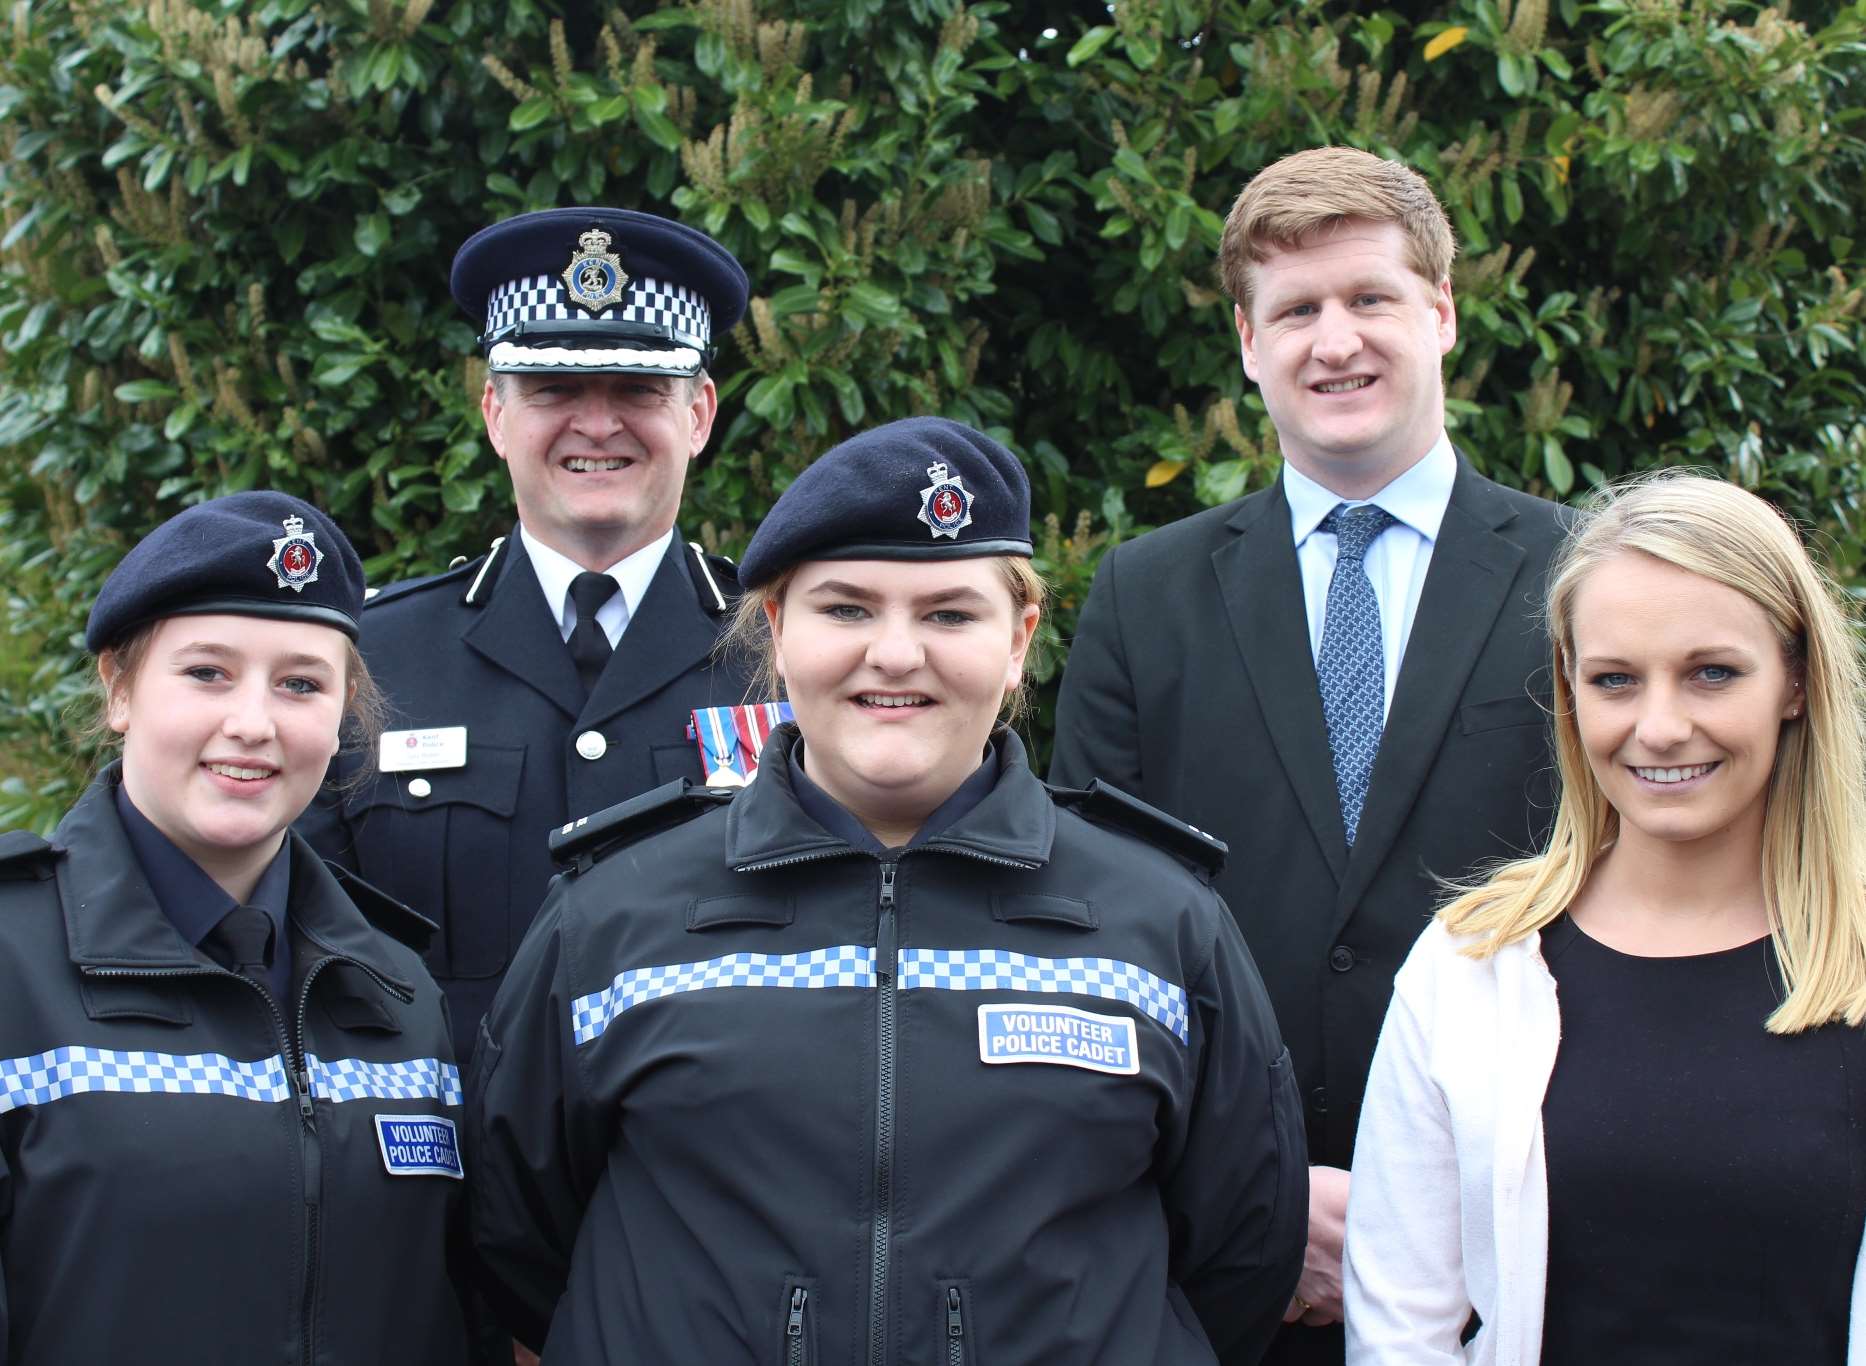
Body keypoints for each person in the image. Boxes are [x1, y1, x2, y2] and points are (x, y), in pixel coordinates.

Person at [468, 417, 1308, 1364]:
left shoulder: (1162, 922)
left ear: (1019, 640)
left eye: (950, 614)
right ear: (778, 633)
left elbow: (1241, 1252)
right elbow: (520, 1239)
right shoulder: (612, 916)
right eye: (846, 610)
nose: (897, 655)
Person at [1049, 145, 1568, 1363]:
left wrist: (1428, 1196)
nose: (1334, 341)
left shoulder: (1579, 576)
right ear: (1247, 342)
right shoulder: (1144, 593)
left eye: (1369, 298)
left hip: (1514, 1244)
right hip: (1219, 1259)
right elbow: (1093, 926)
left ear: (1441, 311)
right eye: (1296, 311)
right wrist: (1255, 1189)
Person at [1344, 471, 1866, 1363]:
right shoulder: (1469, 965)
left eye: (1711, 674)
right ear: (1569, 689)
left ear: (1797, 682)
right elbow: (1401, 1323)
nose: (1659, 727)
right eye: (1616, 679)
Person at [0, 492, 468, 1361]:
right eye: (207, 673)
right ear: (120, 689)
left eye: (300, 684)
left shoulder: (398, 992)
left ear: (341, 718)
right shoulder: (11, 962)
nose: (252, 724)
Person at [299, 207, 756, 1054]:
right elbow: (306, 939)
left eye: (638, 391)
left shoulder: (787, 655)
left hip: (706, 1167)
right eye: (553, 390)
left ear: (698, 415)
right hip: (445, 1163)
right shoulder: (365, 659)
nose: (596, 424)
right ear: (496, 414)